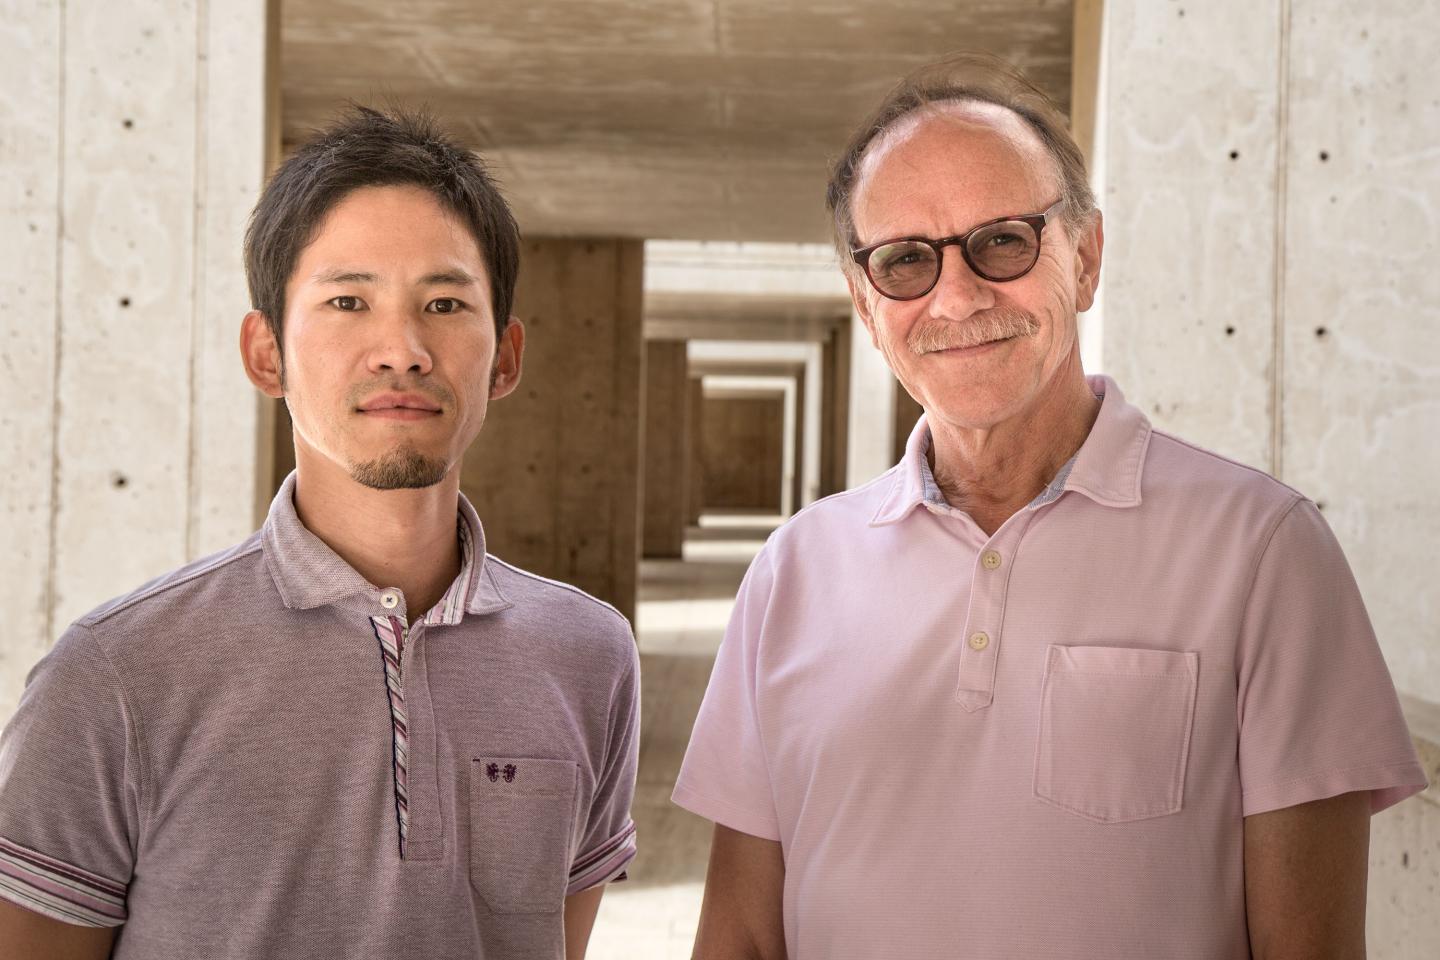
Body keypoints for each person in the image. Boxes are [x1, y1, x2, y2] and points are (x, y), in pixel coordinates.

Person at [673, 54, 1426, 959]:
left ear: (1086, 257)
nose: (956, 296)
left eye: (1002, 241)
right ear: (866, 305)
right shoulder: (793, 571)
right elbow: (742, 939)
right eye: (906, 260)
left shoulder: (1265, 552)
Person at [0, 107, 639, 960]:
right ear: (266, 355)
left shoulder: (589, 653)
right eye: (348, 300)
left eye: (445, 302)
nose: (402, 348)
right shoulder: (117, 673)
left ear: (506, 356)